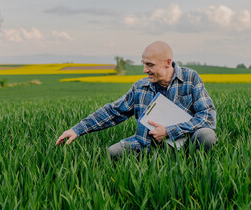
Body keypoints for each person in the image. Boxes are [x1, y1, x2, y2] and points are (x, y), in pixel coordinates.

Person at [56, 41, 217, 159]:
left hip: (183, 144)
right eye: (144, 64)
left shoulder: (190, 78)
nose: (145, 70)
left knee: (206, 135)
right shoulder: (140, 87)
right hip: (145, 144)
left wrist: (169, 131)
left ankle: (193, 166)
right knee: (112, 154)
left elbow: (207, 117)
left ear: (168, 63)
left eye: (150, 65)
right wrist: (77, 130)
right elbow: (113, 111)